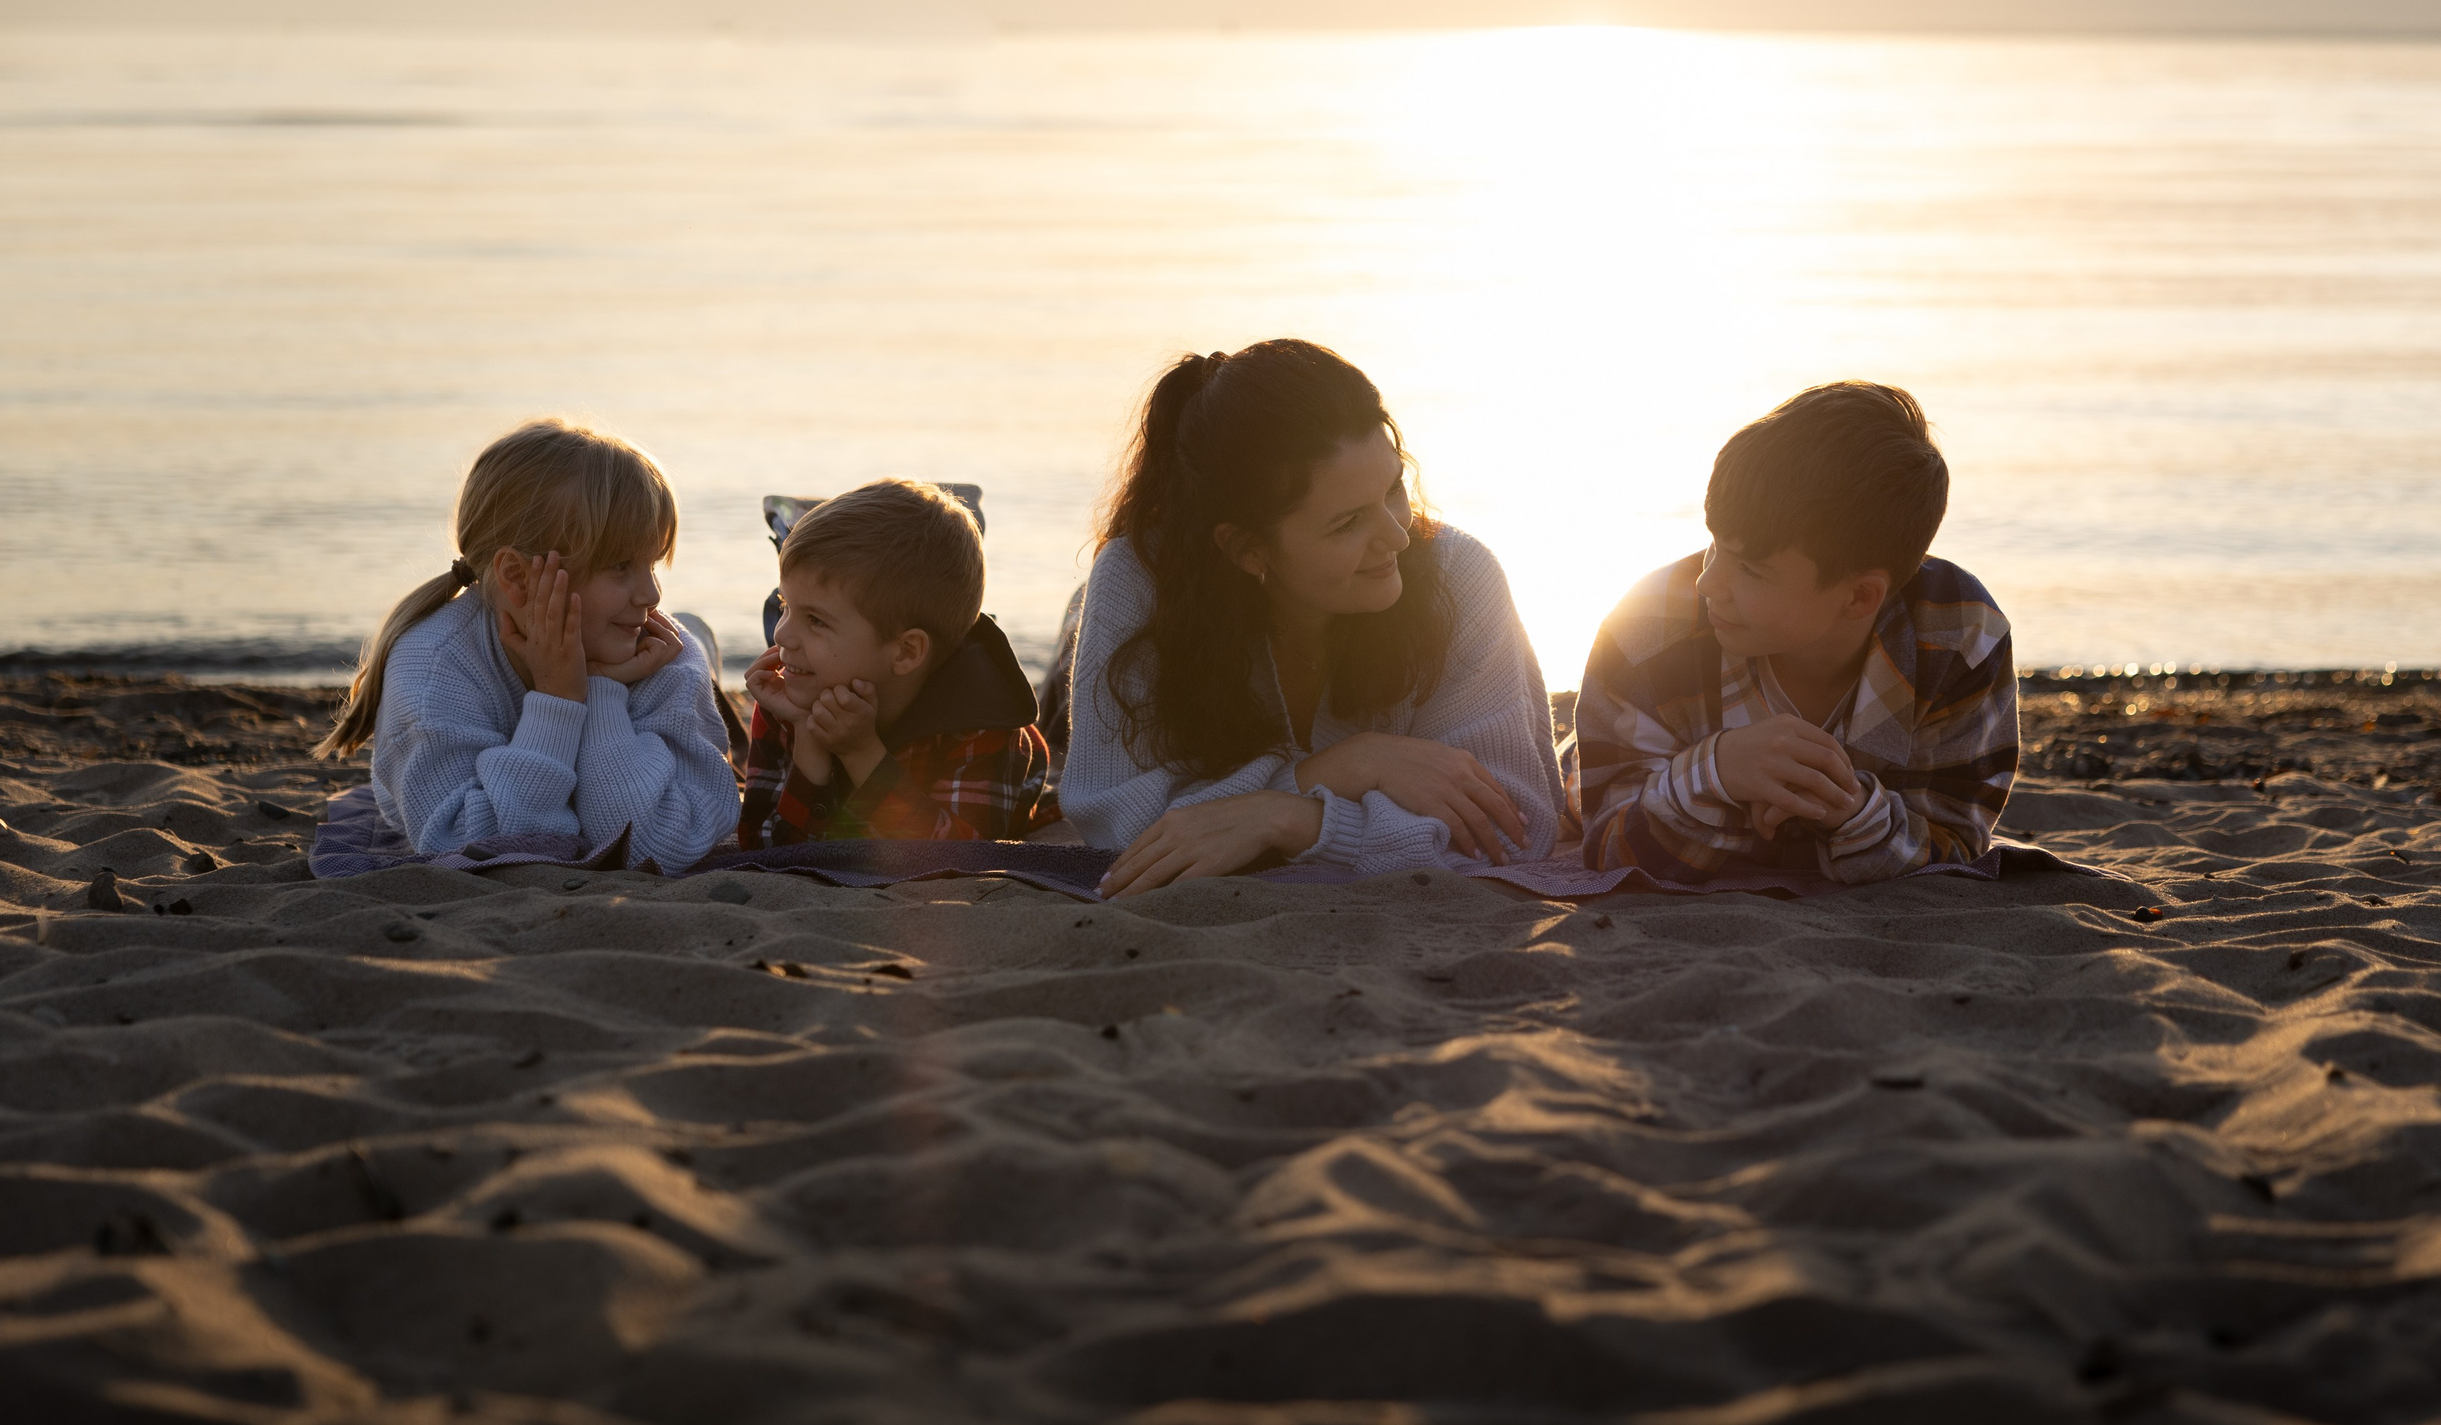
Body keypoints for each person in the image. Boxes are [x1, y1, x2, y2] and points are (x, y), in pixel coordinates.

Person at [1065, 339, 1565, 896]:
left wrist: (1290, 818)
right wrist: (1346, 768)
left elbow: (1511, 833)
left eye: (1394, 488)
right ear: (1247, 550)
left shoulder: (1459, 575)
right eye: (1347, 522)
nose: (1398, 536)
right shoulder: (1140, 578)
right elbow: (1118, 828)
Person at [1566, 382, 2017, 884]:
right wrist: (1718, 770)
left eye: (1752, 571)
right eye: (1715, 544)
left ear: (1859, 597)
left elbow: (1955, 847)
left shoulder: (1961, 638)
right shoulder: (1646, 625)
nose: (1707, 582)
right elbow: (1608, 843)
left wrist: (1843, 807)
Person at [315, 419, 738, 874]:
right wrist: (557, 700)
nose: (651, 595)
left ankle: (703, 640)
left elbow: (654, 846)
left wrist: (598, 688)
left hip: (665, 663)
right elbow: (479, 845)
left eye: (652, 563)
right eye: (619, 566)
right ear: (518, 577)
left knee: (692, 648)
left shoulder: (664, 655)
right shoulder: (432, 670)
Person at [738, 479, 1049, 845]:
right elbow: (764, 844)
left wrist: (861, 754)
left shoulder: (985, 721)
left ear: (905, 652)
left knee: (1060, 708)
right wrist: (808, 740)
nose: (780, 636)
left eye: (816, 620)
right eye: (785, 606)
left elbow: (961, 856)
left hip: (964, 704)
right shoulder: (792, 701)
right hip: (871, 658)